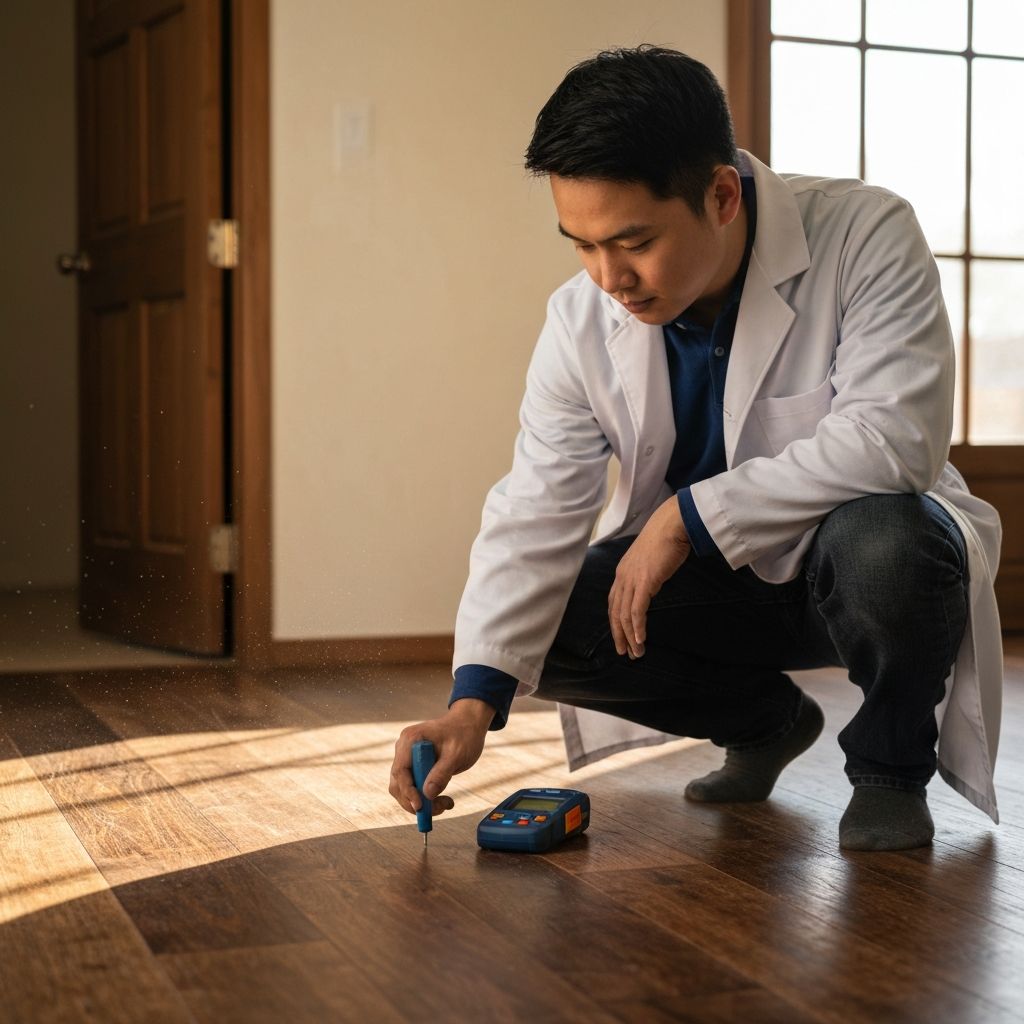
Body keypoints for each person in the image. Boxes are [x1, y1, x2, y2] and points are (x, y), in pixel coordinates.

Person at [388, 46, 1004, 851]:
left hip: (856, 571)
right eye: (581, 243)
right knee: (550, 618)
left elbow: (896, 440)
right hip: (717, 589)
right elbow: (535, 502)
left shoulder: (866, 232)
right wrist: (470, 703)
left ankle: (888, 771)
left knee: (889, 543)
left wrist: (685, 518)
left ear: (720, 194)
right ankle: (765, 723)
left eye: (633, 241)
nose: (610, 277)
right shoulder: (579, 319)